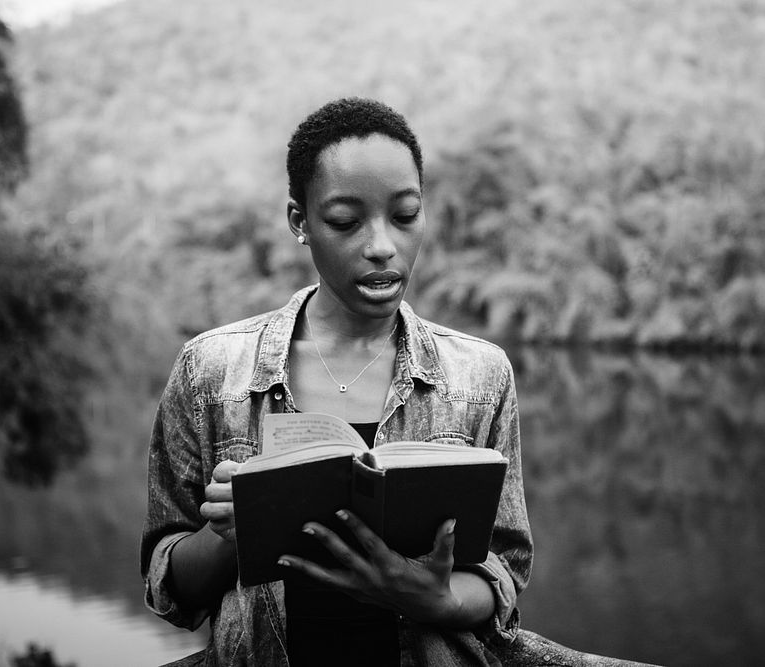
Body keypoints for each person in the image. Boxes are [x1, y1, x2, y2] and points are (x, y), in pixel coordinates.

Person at [141, 97, 533, 666]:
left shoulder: (479, 376)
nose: (381, 246)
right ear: (300, 223)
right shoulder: (212, 371)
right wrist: (232, 532)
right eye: (346, 222)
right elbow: (171, 589)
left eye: (404, 216)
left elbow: (503, 571)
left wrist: (438, 600)